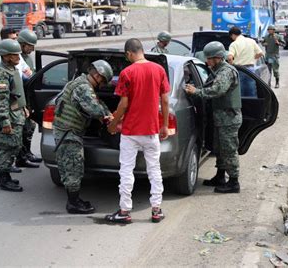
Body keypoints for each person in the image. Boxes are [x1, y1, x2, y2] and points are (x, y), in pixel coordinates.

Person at [105, 38, 170, 224]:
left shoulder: (127, 72)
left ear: (129, 53)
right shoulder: (159, 70)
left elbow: (123, 103)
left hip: (130, 131)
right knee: (154, 170)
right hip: (151, 130)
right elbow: (165, 101)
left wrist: (113, 124)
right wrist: (164, 125)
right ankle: (156, 210)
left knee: (126, 170)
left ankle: (124, 211)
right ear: (141, 50)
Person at [53, 60, 114, 214]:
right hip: (68, 133)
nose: (102, 85)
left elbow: (97, 102)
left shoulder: (80, 83)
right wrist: (109, 117)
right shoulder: (83, 88)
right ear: (98, 76)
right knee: (74, 167)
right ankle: (73, 203)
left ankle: (74, 200)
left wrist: (107, 113)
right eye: (103, 81)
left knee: (72, 167)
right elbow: (95, 108)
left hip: (68, 131)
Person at [184, 41, 243, 194]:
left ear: (217, 57)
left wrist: (196, 91)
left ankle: (234, 182)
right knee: (219, 149)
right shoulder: (217, 70)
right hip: (221, 118)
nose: (207, 61)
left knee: (229, 150)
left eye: (209, 58)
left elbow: (217, 90)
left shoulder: (226, 72)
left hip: (228, 119)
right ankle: (220, 176)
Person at [0, 39, 27, 192]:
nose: (18, 57)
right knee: (8, 147)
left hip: (16, 113)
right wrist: (4, 121)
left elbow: (16, 94)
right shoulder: (1, 74)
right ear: (6, 56)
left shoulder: (12, 69)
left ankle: (2, 176)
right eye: (15, 55)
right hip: (9, 117)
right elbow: (1, 99)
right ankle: (4, 178)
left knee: (14, 145)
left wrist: (23, 107)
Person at [15, 29, 41, 168]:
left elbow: (31, 74)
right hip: (21, 99)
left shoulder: (26, 57)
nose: (32, 49)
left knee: (30, 127)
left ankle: (27, 153)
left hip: (29, 98)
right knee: (22, 129)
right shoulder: (16, 57)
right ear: (22, 44)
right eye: (30, 46)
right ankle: (21, 157)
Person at [227, 26, 264, 96]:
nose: (232, 38)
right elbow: (260, 53)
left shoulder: (234, 44)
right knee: (251, 91)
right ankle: (252, 105)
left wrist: (231, 66)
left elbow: (229, 57)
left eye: (231, 36)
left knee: (239, 92)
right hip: (251, 70)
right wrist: (253, 58)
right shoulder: (251, 41)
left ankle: (242, 106)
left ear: (233, 35)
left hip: (239, 70)